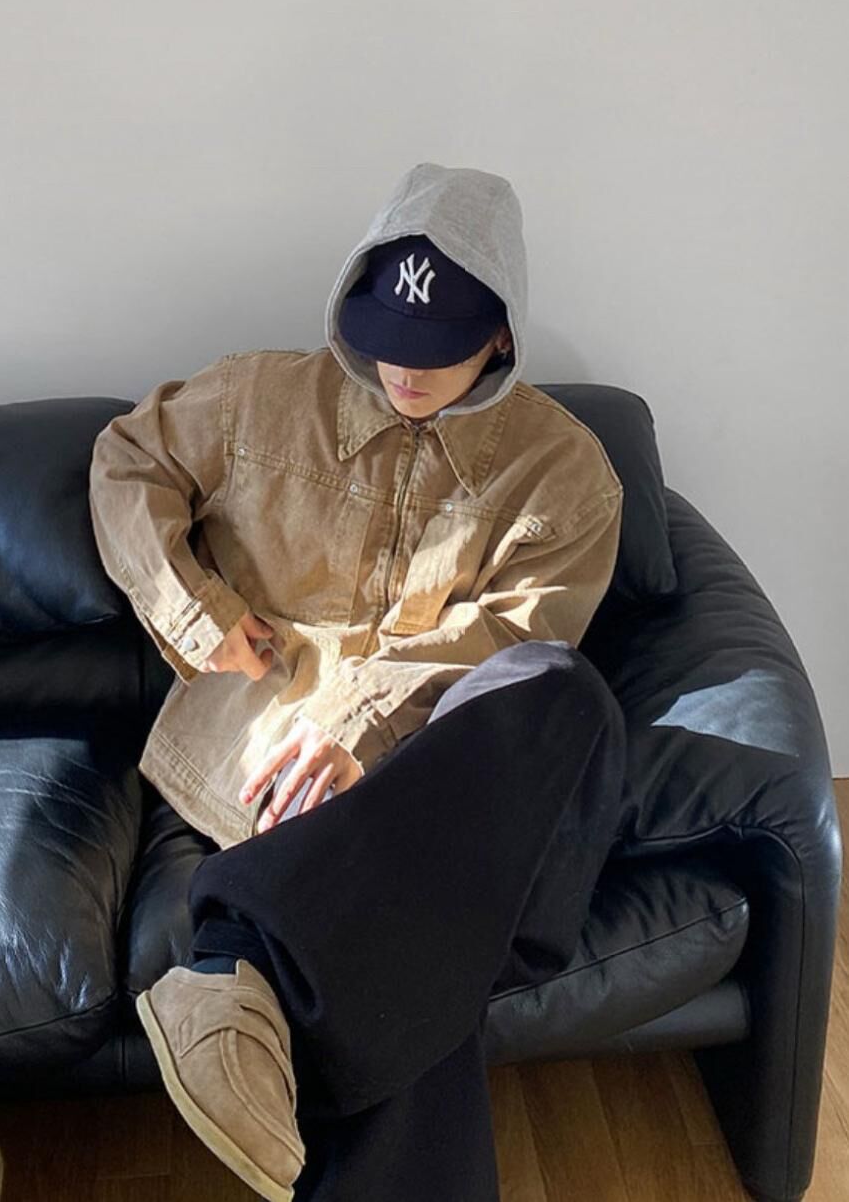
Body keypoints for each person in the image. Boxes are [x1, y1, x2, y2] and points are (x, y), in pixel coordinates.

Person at [87, 163, 627, 1200]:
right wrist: (197, 610)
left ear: (501, 336)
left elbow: (514, 640)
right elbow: (126, 459)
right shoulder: (257, 397)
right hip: (271, 769)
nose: (404, 370)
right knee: (424, 944)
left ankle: (233, 958)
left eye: (438, 348)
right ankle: (244, 958)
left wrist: (367, 729)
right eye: (387, 336)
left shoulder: (566, 473)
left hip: (438, 777)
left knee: (564, 690)